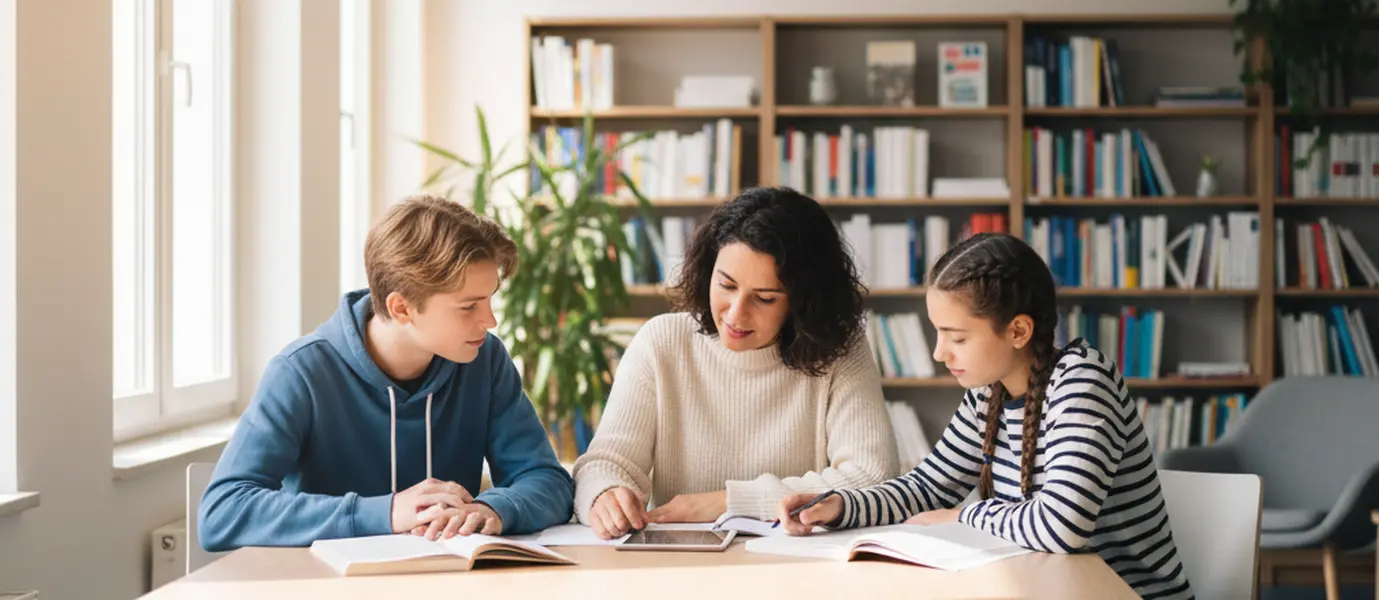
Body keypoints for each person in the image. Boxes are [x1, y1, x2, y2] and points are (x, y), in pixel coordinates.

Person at [776, 232, 1194, 600]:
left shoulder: (1082, 382)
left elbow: (1063, 524)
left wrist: (964, 514)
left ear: (1017, 331)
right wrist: (841, 507)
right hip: (1044, 587)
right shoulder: (987, 393)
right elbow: (928, 487)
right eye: (938, 333)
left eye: (957, 337)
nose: (940, 353)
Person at [199, 195, 573, 552]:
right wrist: (388, 512)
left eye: (490, 299)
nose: (489, 321)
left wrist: (492, 509)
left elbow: (549, 481)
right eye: (469, 306)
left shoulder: (485, 361)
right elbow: (222, 512)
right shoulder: (301, 372)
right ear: (401, 308)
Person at [572, 186, 901, 540]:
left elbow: (874, 476)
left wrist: (728, 502)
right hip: (678, 566)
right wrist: (605, 494)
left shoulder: (840, 350)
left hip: (800, 567)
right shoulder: (662, 342)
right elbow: (605, 464)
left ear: (804, 303)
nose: (735, 313)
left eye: (765, 298)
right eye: (726, 284)